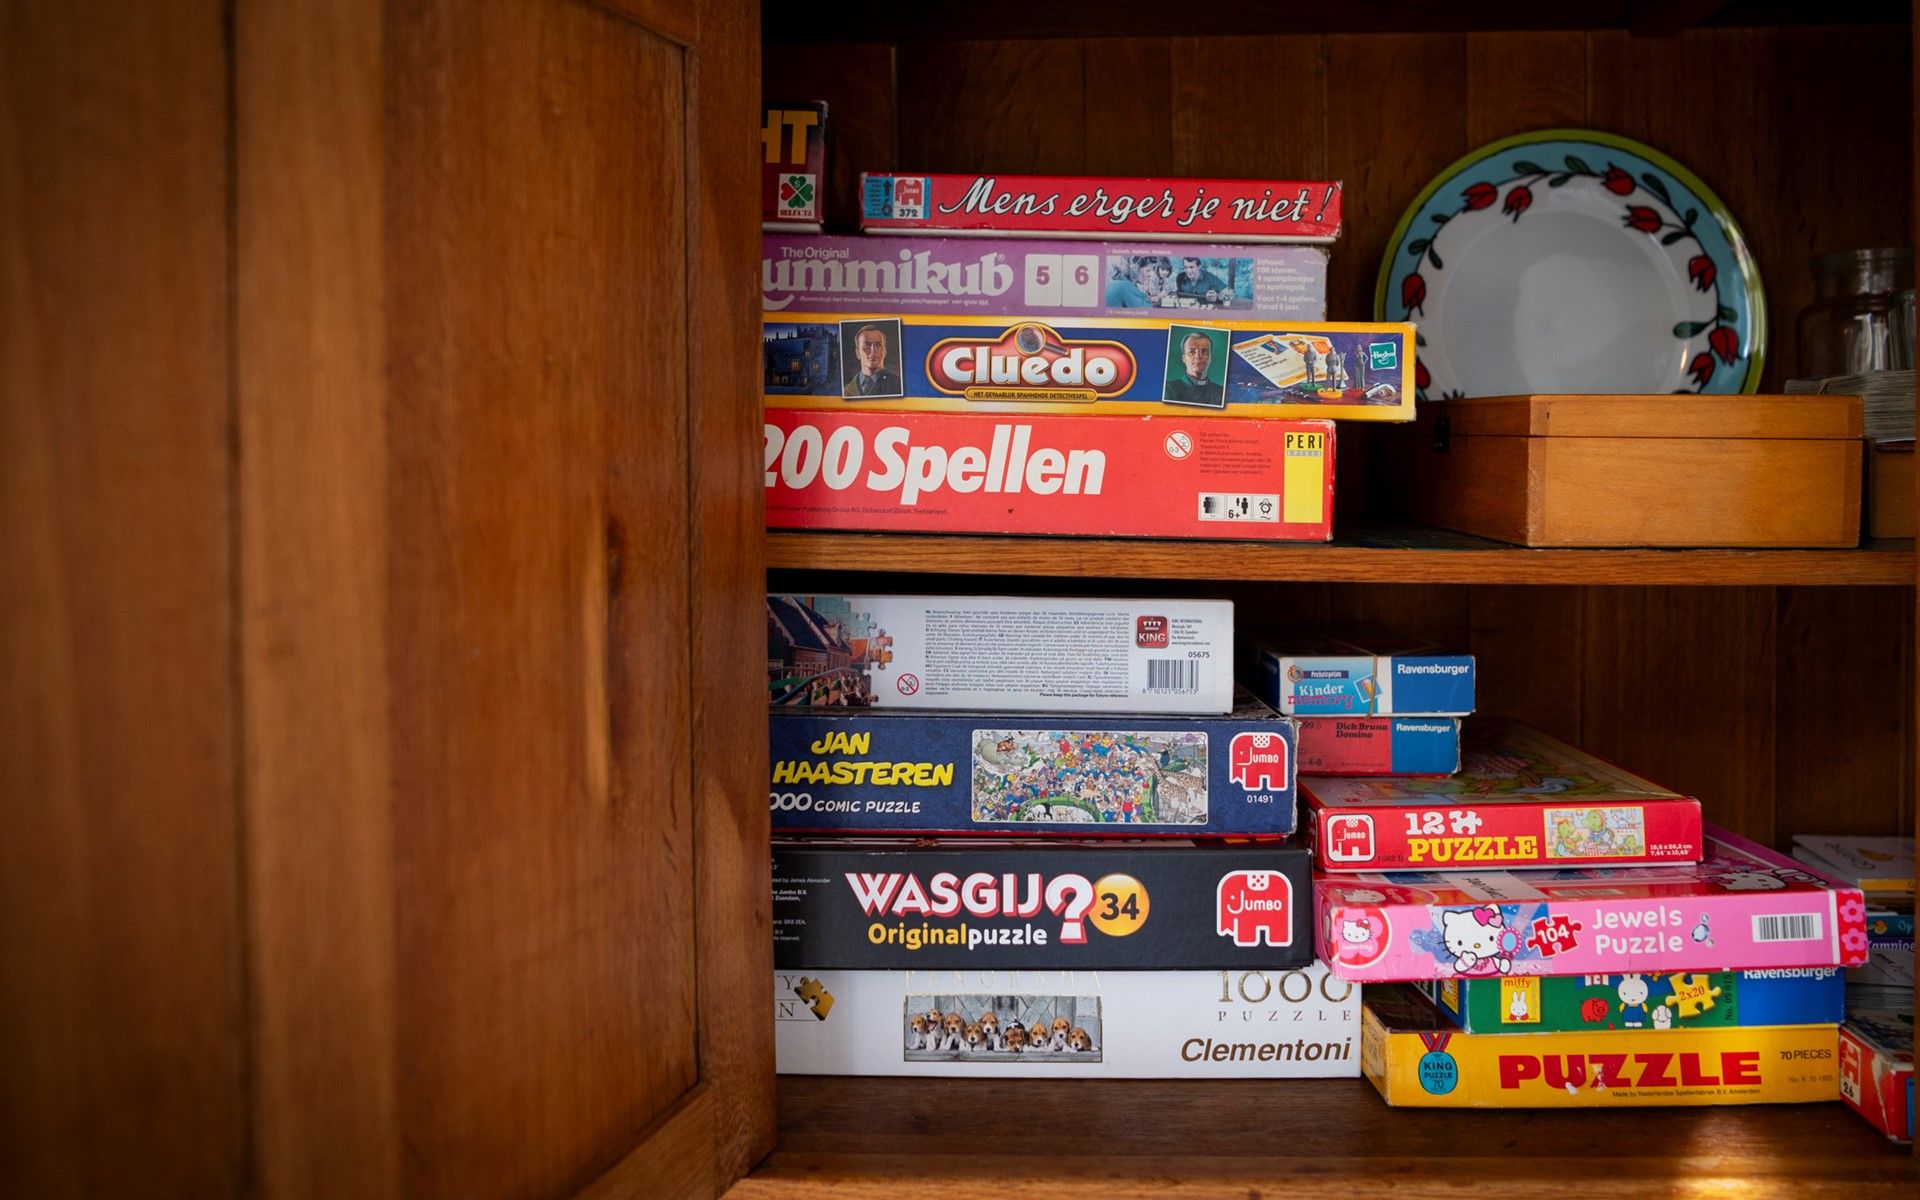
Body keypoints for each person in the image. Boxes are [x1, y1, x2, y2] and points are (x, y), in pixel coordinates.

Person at [1163, 331, 1224, 406]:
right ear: (1184, 358)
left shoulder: (1221, 391)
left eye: (1204, 351)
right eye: (1192, 352)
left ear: (1210, 358)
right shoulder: (1168, 389)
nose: (1198, 356)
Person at [843, 323, 902, 396]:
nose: (873, 350)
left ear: (885, 352)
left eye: (878, 345)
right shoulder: (846, 392)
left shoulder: (898, 385)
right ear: (858, 353)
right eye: (866, 345)